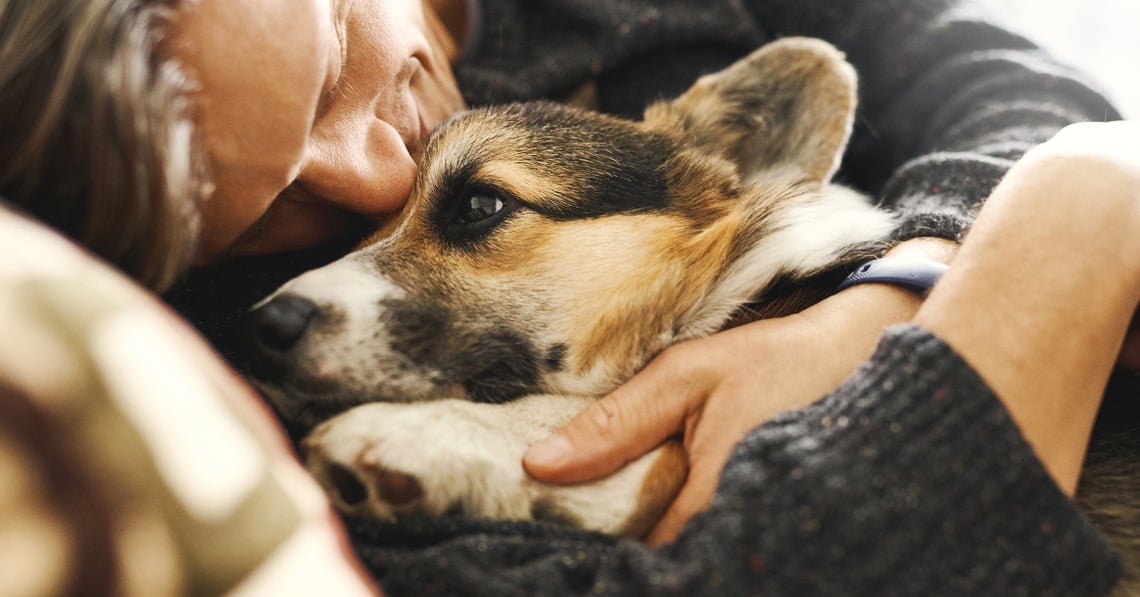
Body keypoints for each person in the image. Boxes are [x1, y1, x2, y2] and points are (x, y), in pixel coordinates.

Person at [0, 0, 1132, 593]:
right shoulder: (194, 350)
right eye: (262, 206)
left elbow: (1015, 85)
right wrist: (1077, 219)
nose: (378, 172)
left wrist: (897, 289)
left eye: (342, 43)